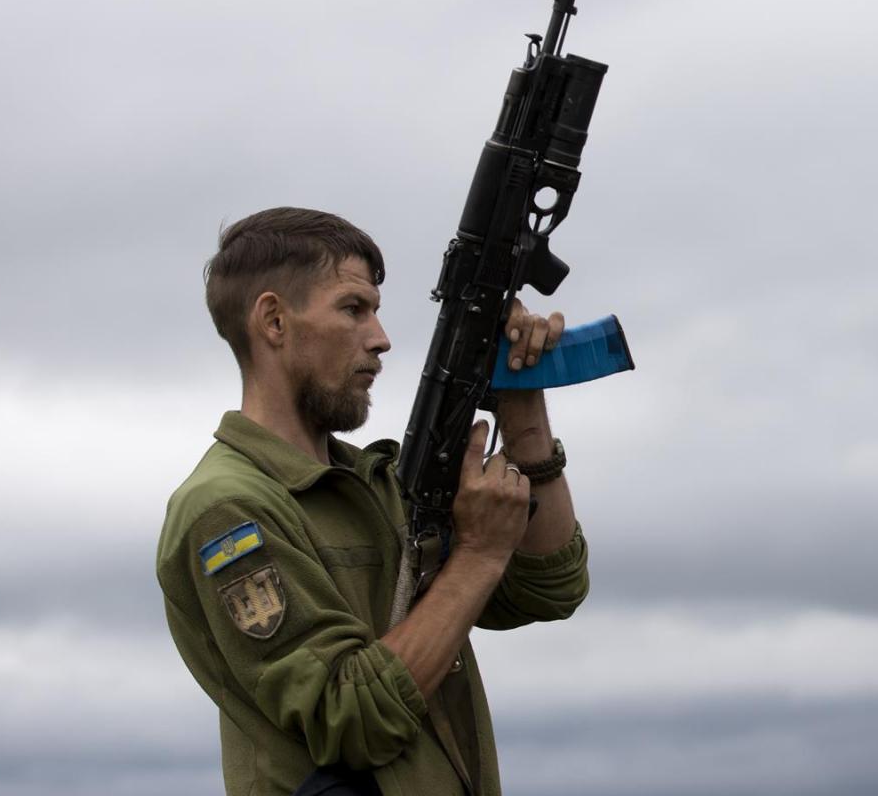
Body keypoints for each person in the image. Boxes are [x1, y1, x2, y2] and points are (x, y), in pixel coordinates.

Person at [157, 207, 588, 796]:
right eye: (353, 309)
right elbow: (348, 717)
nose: (380, 339)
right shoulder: (227, 507)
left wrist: (522, 408)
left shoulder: (376, 484)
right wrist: (481, 553)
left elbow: (548, 586)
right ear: (274, 320)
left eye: (376, 312)